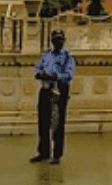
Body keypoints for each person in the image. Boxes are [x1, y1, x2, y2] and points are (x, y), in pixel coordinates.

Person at [32, 29, 75, 165]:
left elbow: (68, 75)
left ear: (63, 41)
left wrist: (55, 76)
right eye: (55, 39)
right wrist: (40, 74)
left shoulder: (68, 56)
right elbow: (38, 68)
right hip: (45, 89)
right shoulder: (47, 55)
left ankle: (57, 154)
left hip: (59, 90)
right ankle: (43, 152)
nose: (57, 42)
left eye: (60, 39)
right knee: (43, 123)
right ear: (51, 41)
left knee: (57, 124)